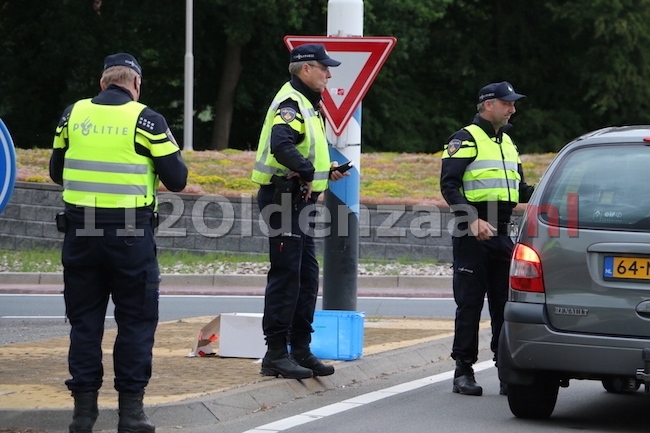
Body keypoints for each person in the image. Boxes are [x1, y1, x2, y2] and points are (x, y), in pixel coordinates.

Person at [49, 52, 188, 433]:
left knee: (85, 324)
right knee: (136, 323)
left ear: (103, 81)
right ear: (136, 84)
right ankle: (131, 414)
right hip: (130, 234)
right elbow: (177, 179)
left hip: (81, 231)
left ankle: (83, 415)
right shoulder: (148, 120)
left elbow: (56, 172)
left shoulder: (72, 115)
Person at [251, 43, 347, 379]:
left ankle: (300, 349)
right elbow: (282, 145)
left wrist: (325, 169)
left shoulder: (308, 104)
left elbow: (305, 154)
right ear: (305, 68)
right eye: (324, 67)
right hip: (283, 200)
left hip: (298, 201)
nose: (329, 73)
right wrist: (307, 173)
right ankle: (275, 353)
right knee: (287, 276)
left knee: (306, 278)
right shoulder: (291, 103)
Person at [439, 81, 535, 397]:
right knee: (469, 305)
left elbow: (520, 190)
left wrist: (549, 193)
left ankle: (505, 370)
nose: (513, 109)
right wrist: (472, 219)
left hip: (503, 231)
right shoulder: (464, 138)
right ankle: (463, 371)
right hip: (472, 232)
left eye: (513, 104)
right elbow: (449, 186)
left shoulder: (508, 142)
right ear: (488, 104)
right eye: (507, 103)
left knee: (504, 305)